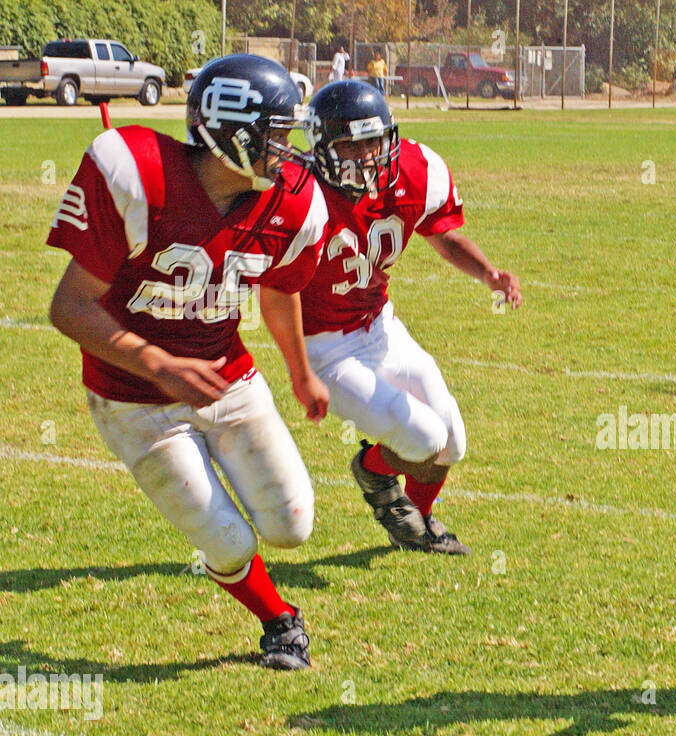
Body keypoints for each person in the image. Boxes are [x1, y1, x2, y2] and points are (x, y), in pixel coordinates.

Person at [45, 54, 332, 671]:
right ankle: (279, 619)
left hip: (227, 376)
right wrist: (157, 365)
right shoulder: (138, 173)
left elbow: (279, 289)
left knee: (292, 524)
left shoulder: (291, 202)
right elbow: (69, 307)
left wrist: (301, 371)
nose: (289, 151)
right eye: (277, 136)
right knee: (226, 540)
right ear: (233, 131)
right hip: (133, 396)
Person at [296, 80, 520, 553]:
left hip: (380, 327)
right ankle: (374, 471)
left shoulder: (414, 171)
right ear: (322, 148)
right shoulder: (300, 194)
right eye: (348, 145)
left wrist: (488, 273)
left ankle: (420, 521)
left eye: (372, 142)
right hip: (325, 349)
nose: (364, 156)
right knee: (424, 438)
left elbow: (441, 234)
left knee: (452, 440)